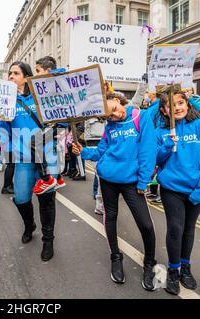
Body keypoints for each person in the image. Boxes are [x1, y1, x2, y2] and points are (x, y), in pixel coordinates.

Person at [72, 92, 158, 291]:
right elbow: (102, 152)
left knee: (145, 224)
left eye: (114, 110)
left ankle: (149, 262)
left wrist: (144, 180)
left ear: (118, 101)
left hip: (132, 181)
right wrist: (83, 151)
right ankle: (115, 257)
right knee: (110, 217)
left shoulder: (140, 116)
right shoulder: (109, 127)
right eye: (108, 116)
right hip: (108, 178)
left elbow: (148, 150)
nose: (114, 116)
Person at [0, 61, 60, 262]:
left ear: (27, 77)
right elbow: (3, 130)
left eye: (15, 73)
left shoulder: (42, 95)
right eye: (9, 73)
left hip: (46, 157)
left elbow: (63, 82)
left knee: (47, 200)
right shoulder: (6, 103)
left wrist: (46, 75)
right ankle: (29, 224)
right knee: (21, 198)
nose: (10, 76)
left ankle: (48, 240)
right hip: (23, 159)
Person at [155, 91, 200, 295]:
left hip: (195, 190)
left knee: (189, 229)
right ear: (164, 110)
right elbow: (157, 160)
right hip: (171, 189)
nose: (177, 108)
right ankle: (174, 270)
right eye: (171, 106)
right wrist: (167, 145)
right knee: (175, 228)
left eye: (180, 102)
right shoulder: (162, 130)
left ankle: (186, 268)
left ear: (188, 104)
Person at [31, 56, 68, 193]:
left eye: (38, 70)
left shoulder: (58, 80)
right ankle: (58, 178)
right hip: (54, 124)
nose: (36, 74)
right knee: (50, 148)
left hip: (58, 124)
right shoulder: (46, 85)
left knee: (35, 142)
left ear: (48, 70)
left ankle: (47, 179)